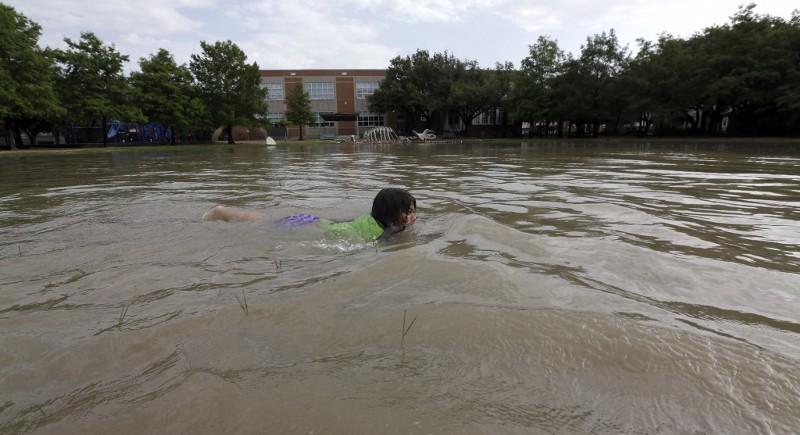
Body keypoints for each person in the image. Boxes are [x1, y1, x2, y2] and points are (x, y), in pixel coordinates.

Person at [203, 187, 417, 243]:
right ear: (392, 214)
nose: (412, 216)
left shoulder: (374, 219)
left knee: (261, 220)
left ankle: (224, 212)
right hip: (303, 226)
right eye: (408, 212)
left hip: (312, 220)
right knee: (259, 224)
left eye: (413, 211)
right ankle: (221, 212)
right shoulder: (380, 233)